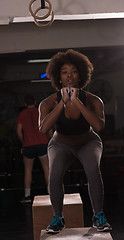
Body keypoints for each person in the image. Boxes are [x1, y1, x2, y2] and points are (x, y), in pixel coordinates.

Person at [38, 49, 112, 232]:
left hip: (88, 142)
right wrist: (63, 102)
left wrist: (77, 100)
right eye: (64, 72)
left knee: (93, 171)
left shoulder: (94, 100)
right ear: (58, 77)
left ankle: (98, 216)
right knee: (54, 175)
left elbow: (99, 126)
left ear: (81, 75)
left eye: (74, 71)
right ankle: (58, 218)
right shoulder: (48, 103)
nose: (69, 75)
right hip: (60, 144)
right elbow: (43, 129)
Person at [17, 95, 51, 203]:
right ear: (35, 102)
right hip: (42, 143)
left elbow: (19, 131)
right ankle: (51, 193)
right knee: (46, 168)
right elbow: (48, 128)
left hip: (28, 145)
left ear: (25, 104)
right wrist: (50, 139)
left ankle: (27, 196)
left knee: (28, 170)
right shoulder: (40, 112)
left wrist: (24, 142)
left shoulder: (22, 114)